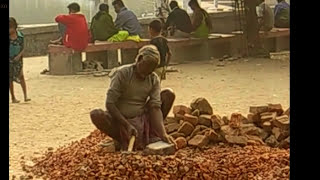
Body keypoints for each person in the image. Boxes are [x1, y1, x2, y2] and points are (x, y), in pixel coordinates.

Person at [90, 45, 176, 151]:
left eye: (149, 72)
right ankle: (121, 139)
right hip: (120, 121)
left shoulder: (153, 79)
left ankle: (151, 134)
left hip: (142, 120)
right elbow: (110, 104)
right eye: (144, 71)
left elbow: (155, 107)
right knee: (96, 114)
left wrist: (163, 134)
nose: (145, 76)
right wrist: (126, 125)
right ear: (139, 59)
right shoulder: (122, 74)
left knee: (168, 94)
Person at [9, 17, 31, 103]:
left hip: (18, 59)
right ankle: (13, 97)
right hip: (10, 60)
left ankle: (25, 96)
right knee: (10, 79)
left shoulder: (20, 36)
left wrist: (19, 56)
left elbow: (23, 48)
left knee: (21, 76)